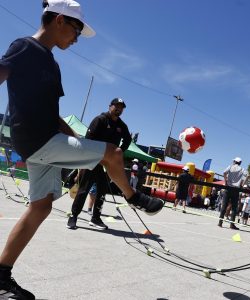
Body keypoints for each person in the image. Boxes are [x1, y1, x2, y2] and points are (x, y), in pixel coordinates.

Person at [0, 1, 163, 298]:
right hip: (37, 139)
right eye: (76, 30)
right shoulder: (25, 47)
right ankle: (134, 197)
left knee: (42, 206)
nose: (76, 38)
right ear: (60, 20)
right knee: (112, 153)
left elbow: (52, 113)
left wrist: (73, 138)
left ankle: (0, 276)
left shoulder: (52, 63)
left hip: (48, 137)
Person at [67, 97, 132, 230]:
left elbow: (128, 139)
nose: (118, 109)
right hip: (93, 161)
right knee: (84, 189)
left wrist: (119, 152)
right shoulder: (100, 120)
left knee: (102, 191)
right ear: (110, 106)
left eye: (121, 107)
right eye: (116, 106)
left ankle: (96, 218)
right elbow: (88, 140)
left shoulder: (122, 126)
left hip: (107, 164)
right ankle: (73, 216)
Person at [218, 157, 249, 230]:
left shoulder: (230, 167)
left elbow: (224, 172)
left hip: (228, 188)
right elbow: (248, 175)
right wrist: (242, 184)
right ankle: (232, 224)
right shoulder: (242, 169)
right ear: (240, 162)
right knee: (234, 208)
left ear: (234, 161)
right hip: (236, 189)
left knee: (224, 206)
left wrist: (226, 181)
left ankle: (220, 222)